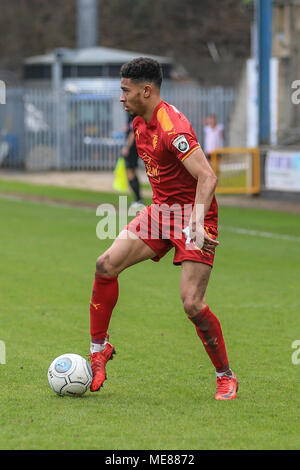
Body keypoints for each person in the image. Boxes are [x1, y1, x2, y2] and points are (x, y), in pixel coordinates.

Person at [88, 57, 238, 400]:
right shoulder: (139, 121)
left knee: (192, 304)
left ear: (146, 90)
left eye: (125, 91)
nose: (121, 98)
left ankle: (225, 375)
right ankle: (99, 350)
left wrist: (197, 221)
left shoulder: (174, 128)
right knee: (104, 265)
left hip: (193, 216)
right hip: (161, 213)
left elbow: (208, 176)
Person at [121, 113, 144, 207]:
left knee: (130, 171)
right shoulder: (133, 114)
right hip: (135, 147)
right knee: (132, 171)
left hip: (132, 147)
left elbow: (133, 132)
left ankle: (138, 199)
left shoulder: (133, 115)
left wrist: (127, 147)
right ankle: (138, 199)